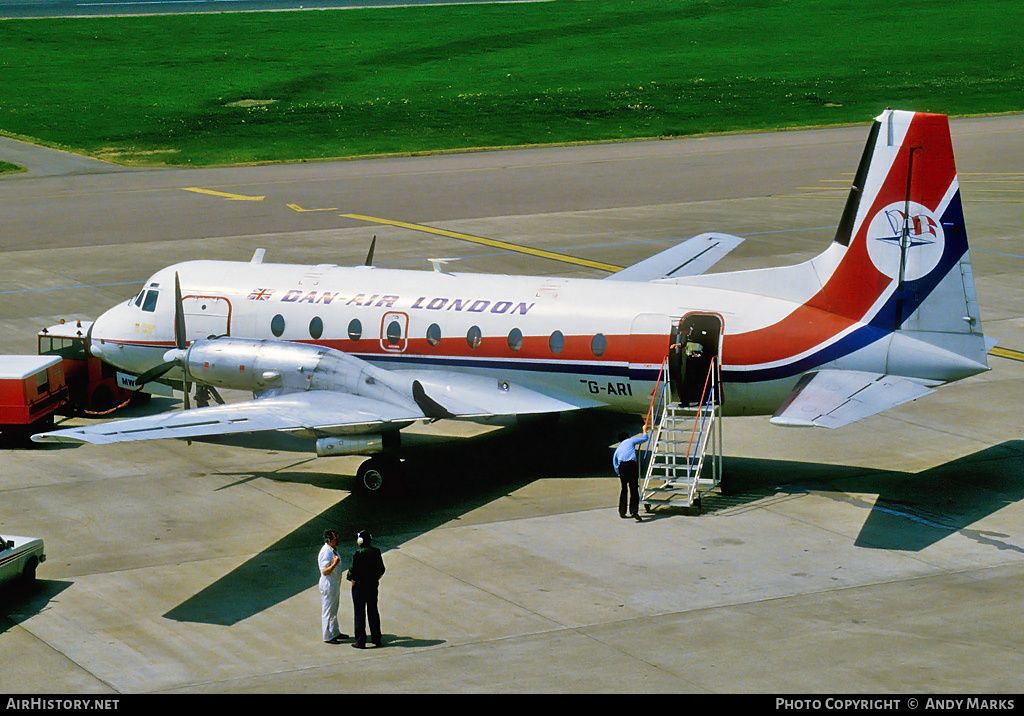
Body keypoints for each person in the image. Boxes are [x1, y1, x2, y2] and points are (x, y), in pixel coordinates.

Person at [347, 529, 386, 649]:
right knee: (373, 611)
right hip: (372, 586)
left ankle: (360, 641)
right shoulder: (376, 552)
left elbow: (352, 571)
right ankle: (376, 638)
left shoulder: (358, 554)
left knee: (359, 613)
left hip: (359, 587)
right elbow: (381, 569)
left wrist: (351, 579)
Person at [319, 529, 348, 644]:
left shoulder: (332, 550)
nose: (338, 541)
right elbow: (325, 571)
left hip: (334, 584)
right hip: (328, 585)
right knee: (328, 610)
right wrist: (335, 563)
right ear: (329, 540)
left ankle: (335, 631)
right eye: (336, 539)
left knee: (334, 609)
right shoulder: (325, 552)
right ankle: (327, 635)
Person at [613, 428, 649, 521]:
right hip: (631, 465)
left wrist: (619, 473)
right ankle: (634, 511)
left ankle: (622, 511)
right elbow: (644, 438)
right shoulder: (630, 441)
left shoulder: (618, 448)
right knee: (633, 489)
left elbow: (615, 462)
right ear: (627, 437)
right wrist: (644, 430)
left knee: (624, 489)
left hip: (622, 467)